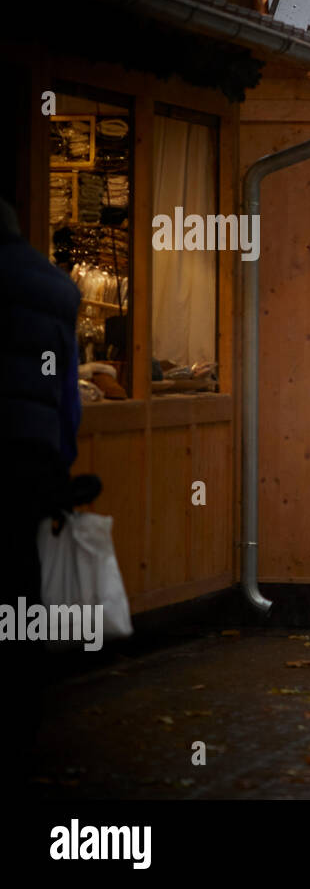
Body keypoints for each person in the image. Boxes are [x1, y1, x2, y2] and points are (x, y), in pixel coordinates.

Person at [0, 196, 82, 774]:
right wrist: (62, 455)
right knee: (19, 568)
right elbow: (67, 391)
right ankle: (23, 695)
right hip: (29, 447)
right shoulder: (51, 289)